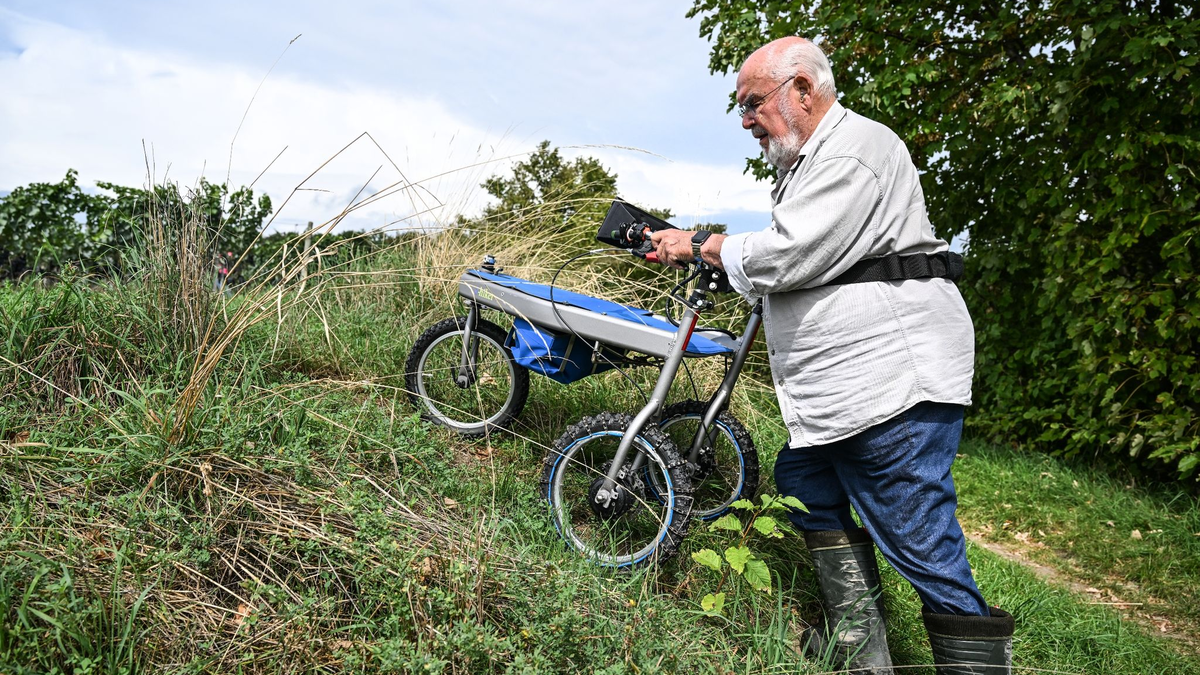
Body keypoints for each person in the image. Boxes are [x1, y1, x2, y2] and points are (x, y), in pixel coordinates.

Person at [651, 37, 1014, 674]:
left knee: (918, 535)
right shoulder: (811, 163)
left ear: (804, 89)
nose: (745, 121)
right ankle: (862, 652)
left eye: (752, 103)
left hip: (891, 381)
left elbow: (792, 253)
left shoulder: (857, 149)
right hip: (850, 385)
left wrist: (701, 246)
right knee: (804, 481)